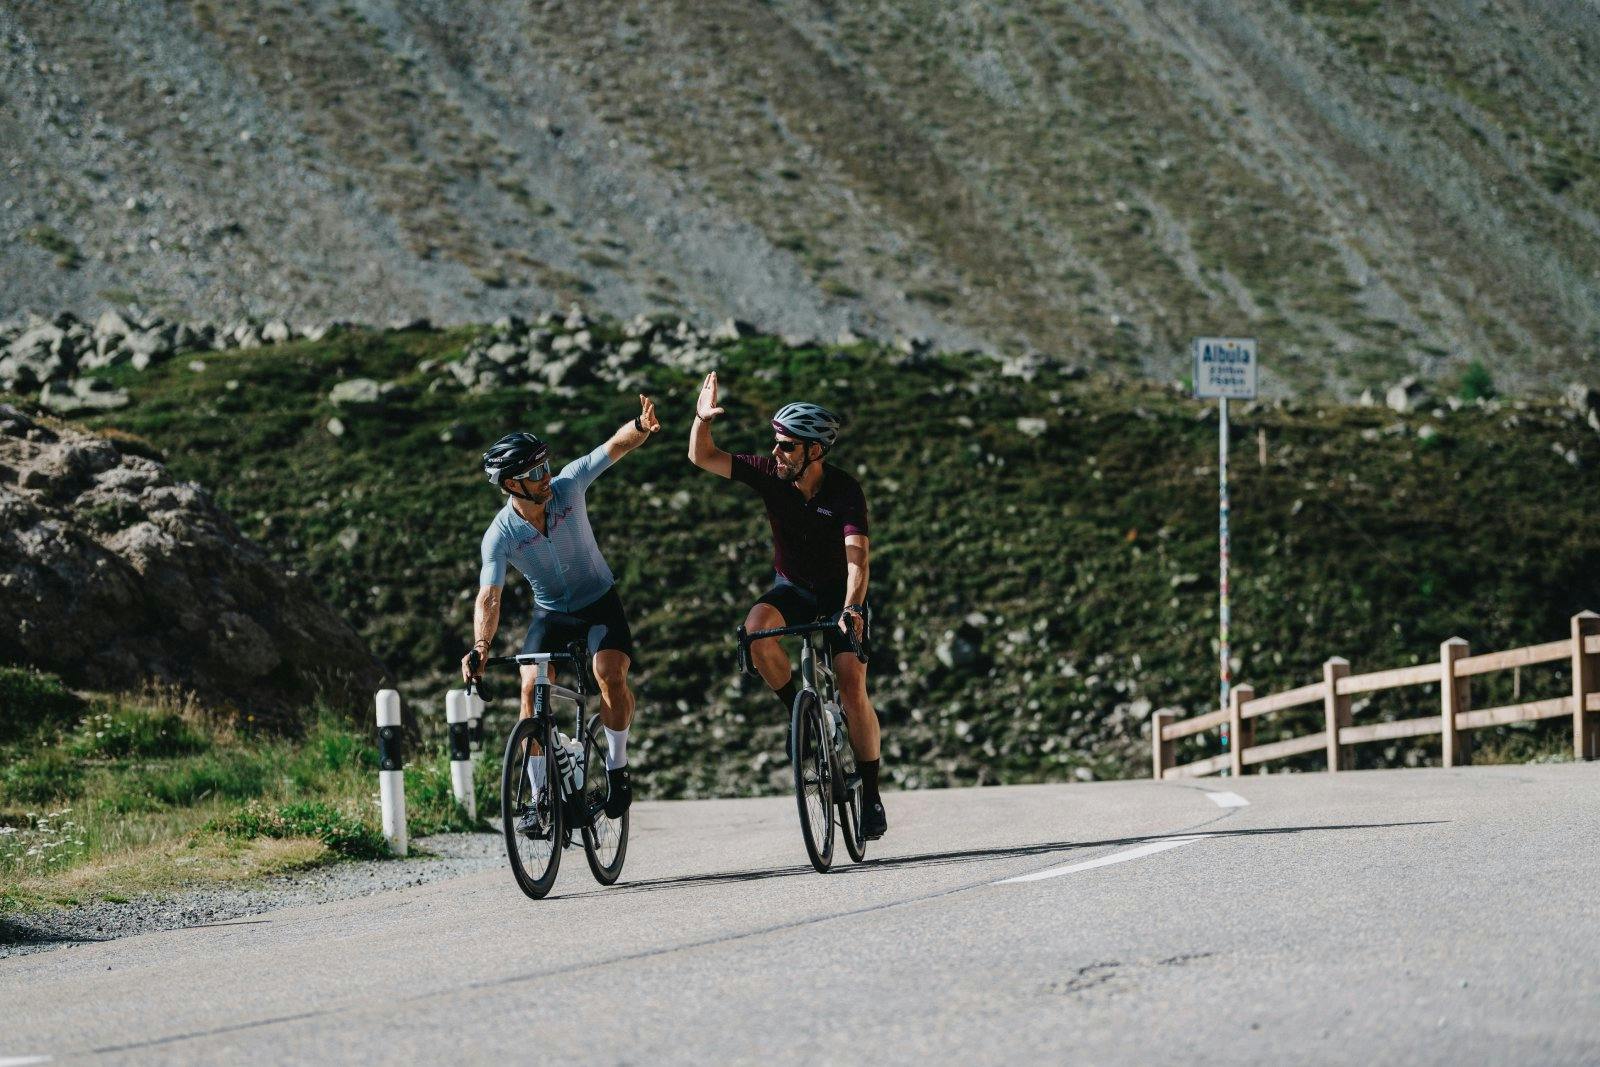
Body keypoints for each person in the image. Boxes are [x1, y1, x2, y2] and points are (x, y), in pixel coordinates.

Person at [686, 372, 887, 839]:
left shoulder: (844, 490)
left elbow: (858, 560)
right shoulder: (769, 474)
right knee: (755, 633)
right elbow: (702, 456)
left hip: (841, 594)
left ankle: (872, 795)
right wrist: (701, 419)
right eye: (776, 443)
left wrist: (853, 608)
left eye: (788, 446)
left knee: (853, 686)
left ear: (814, 451)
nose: (776, 453)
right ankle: (801, 712)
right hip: (793, 587)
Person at [462, 395, 660, 819]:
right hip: (550, 613)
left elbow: (613, 448)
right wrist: (481, 645)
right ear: (512, 485)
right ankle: (538, 799)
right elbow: (489, 595)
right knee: (531, 690)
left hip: (600, 604)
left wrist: (640, 427)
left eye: (545, 465)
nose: (546, 476)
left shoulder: (567, 487)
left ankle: (617, 766)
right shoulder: (499, 535)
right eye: (535, 473)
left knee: (608, 673)